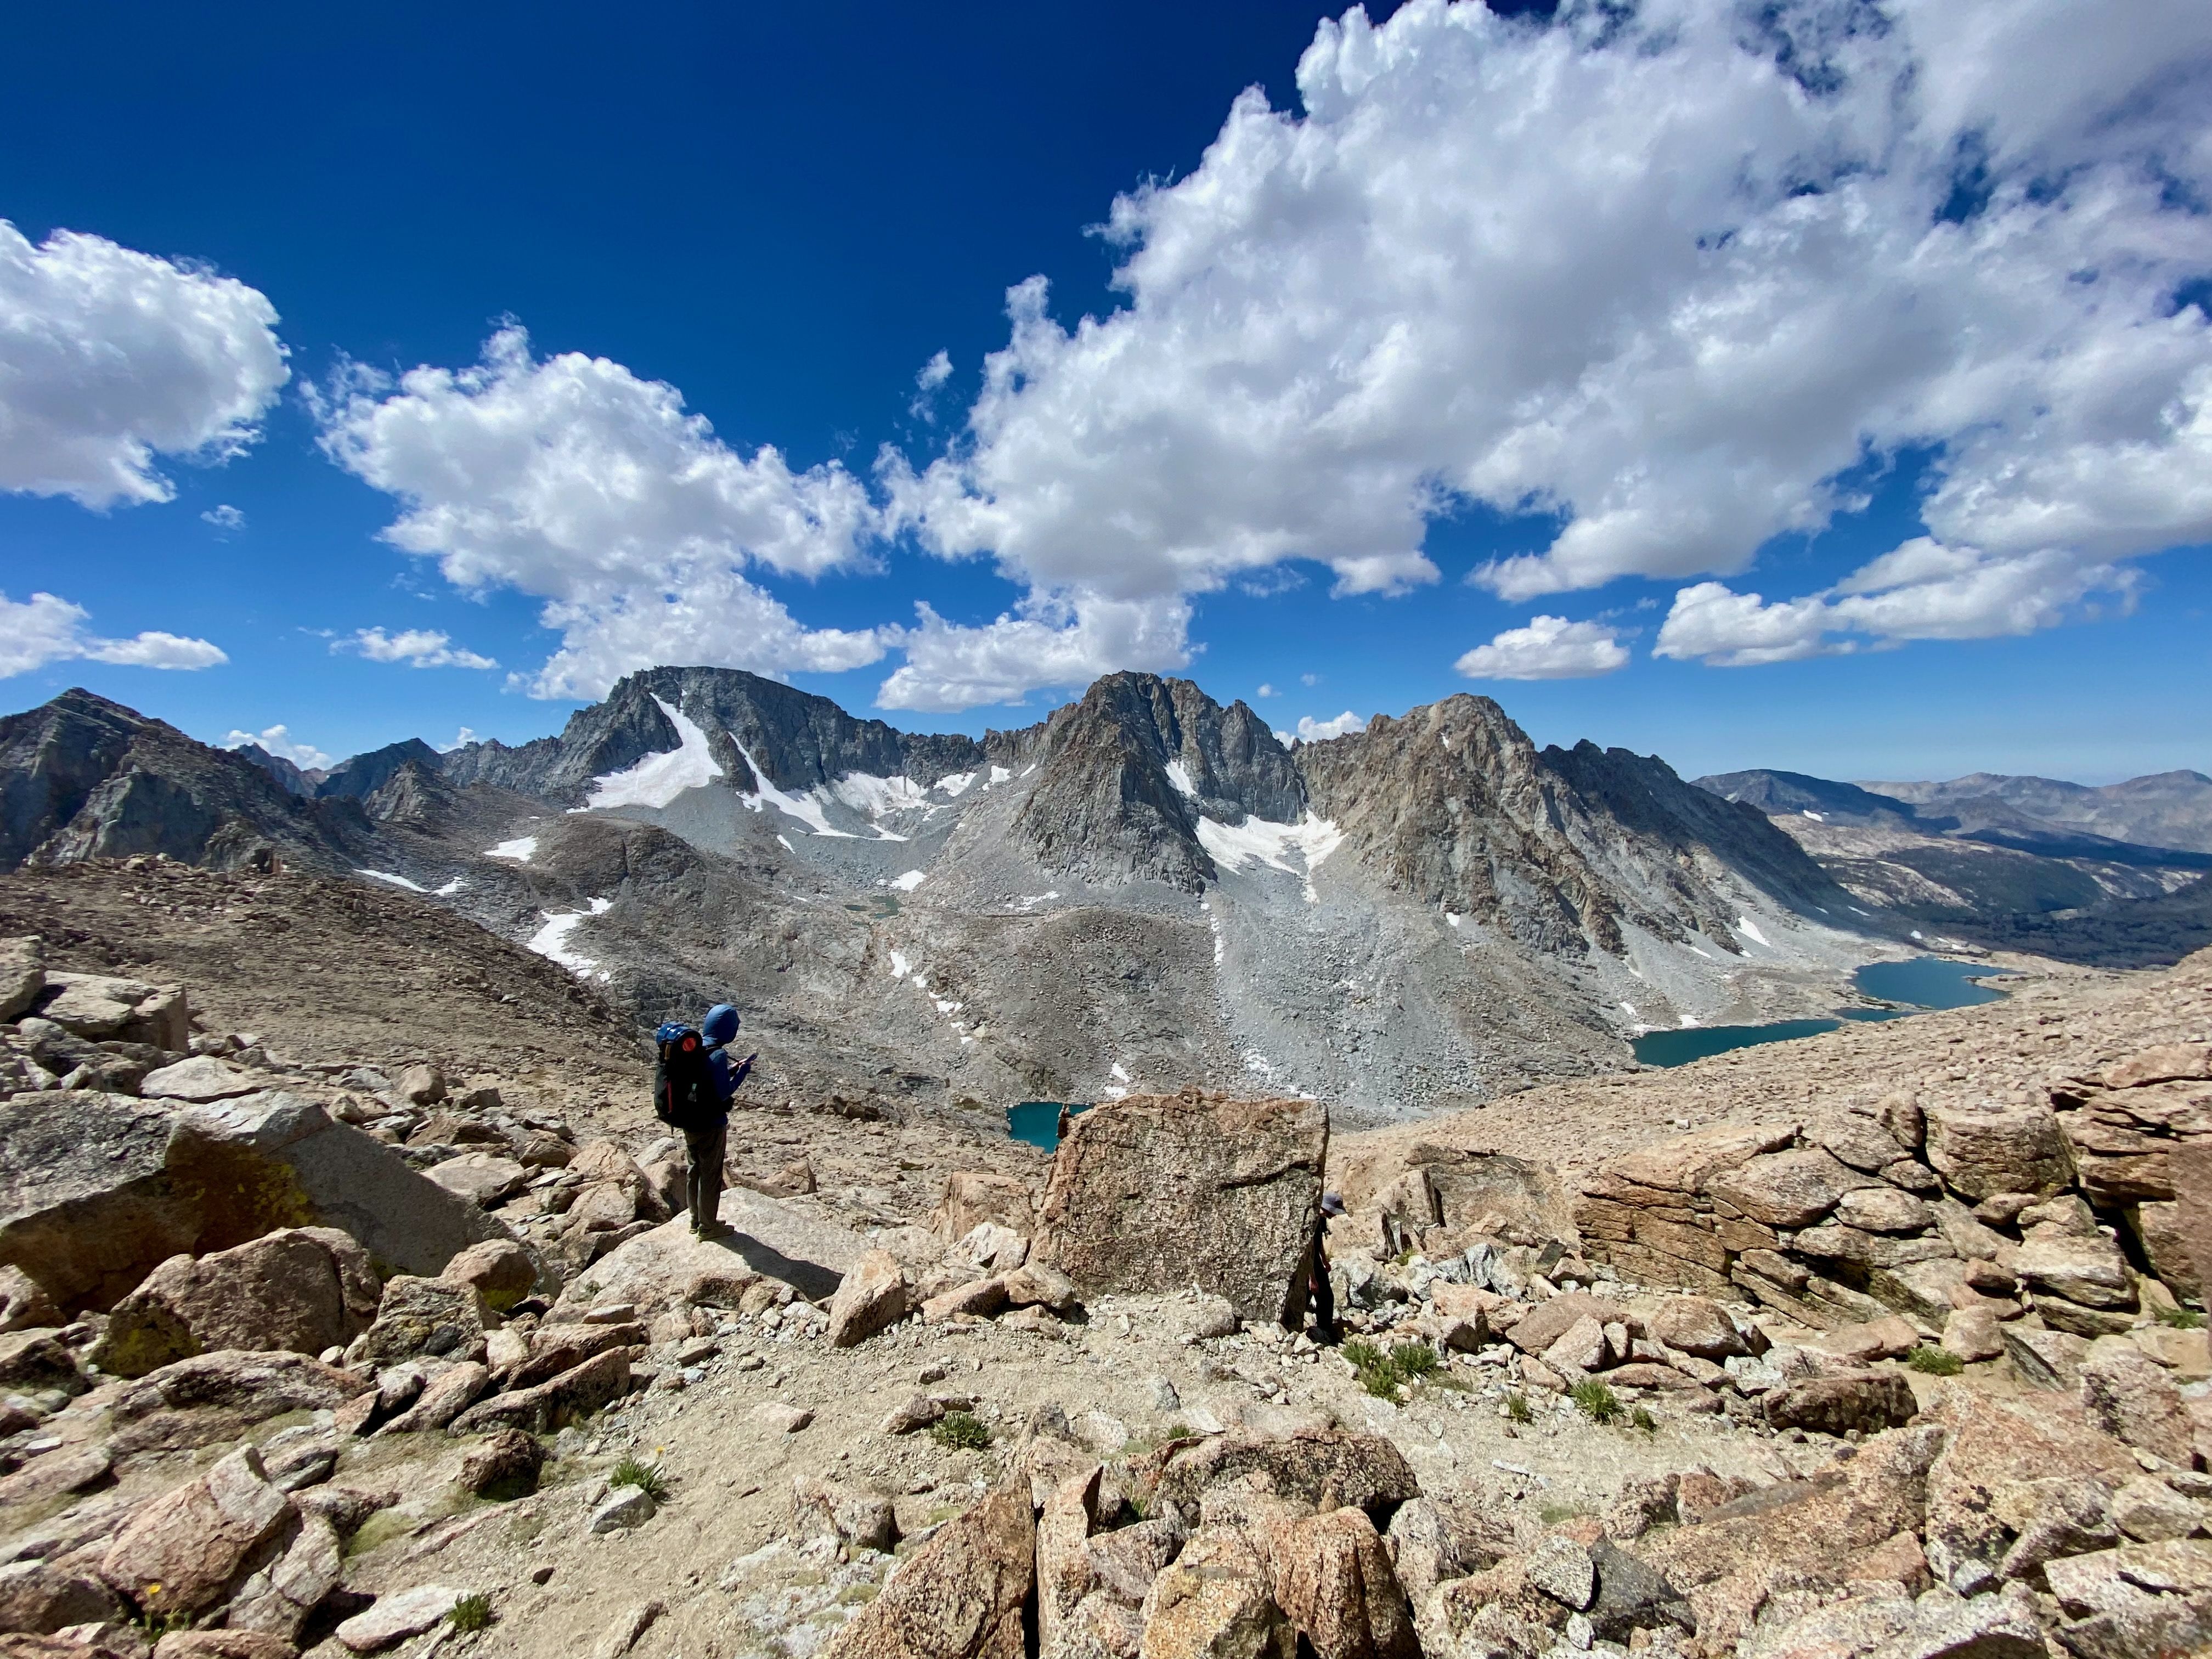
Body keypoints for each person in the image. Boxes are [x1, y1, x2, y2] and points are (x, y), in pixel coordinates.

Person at [686, 1002, 753, 1239]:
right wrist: (742, 1073)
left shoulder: (697, 1048)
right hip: (711, 1123)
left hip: (689, 1120)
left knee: (694, 1170)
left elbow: (706, 1081)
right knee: (711, 1175)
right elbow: (724, 1092)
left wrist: (731, 1069)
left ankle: (695, 1220)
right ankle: (708, 1227)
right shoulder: (718, 1053)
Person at [1303, 1189, 1347, 1343]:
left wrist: (1325, 1259)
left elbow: (1318, 1242)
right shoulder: (1312, 1219)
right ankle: (1323, 1331)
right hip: (1309, 1263)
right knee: (1323, 1296)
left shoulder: (1320, 1219)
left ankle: (1324, 1329)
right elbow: (1308, 1248)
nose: (1334, 1215)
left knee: (1326, 1296)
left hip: (1316, 1260)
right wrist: (1312, 1278)